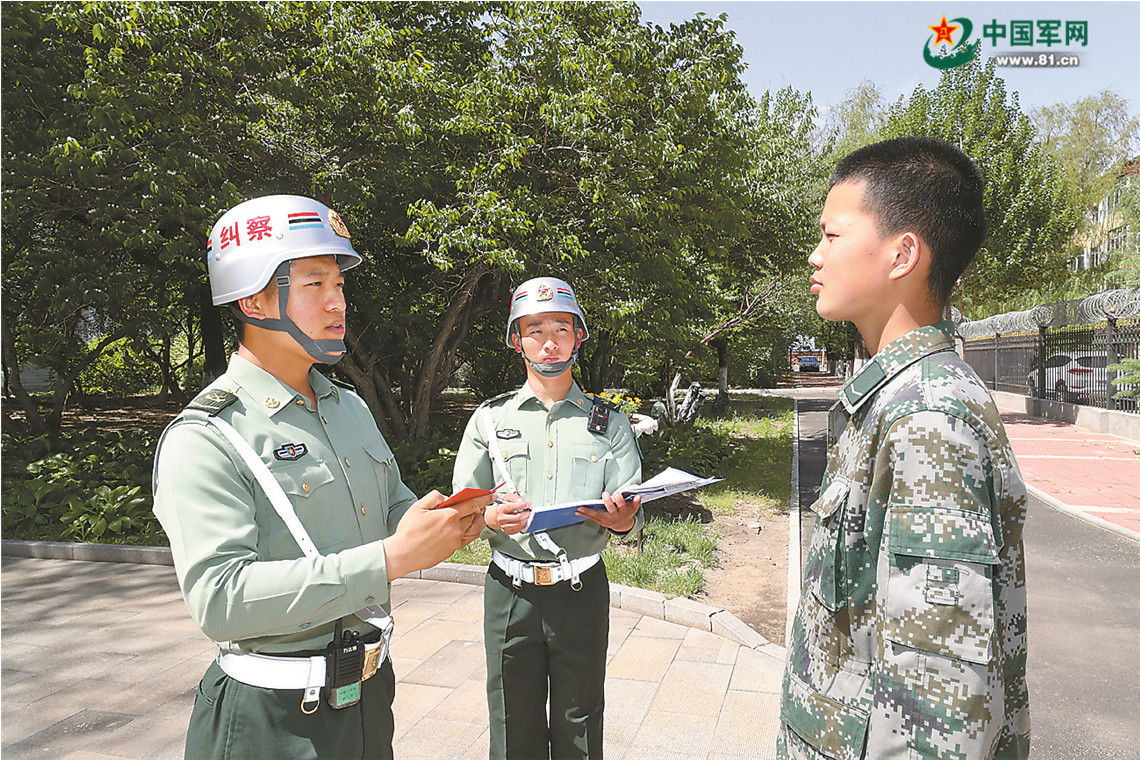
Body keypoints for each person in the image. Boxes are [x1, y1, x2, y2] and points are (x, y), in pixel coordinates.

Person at [152, 194, 490, 760]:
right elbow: (220, 600)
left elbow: (390, 511)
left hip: (366, 698)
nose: (339, 304)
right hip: (271, 721)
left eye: (340, 285)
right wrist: (390, 560)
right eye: (316, 285)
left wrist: (447, 519)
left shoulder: (347, 408)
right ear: (255, 300)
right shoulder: (205, 436)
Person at [779, 138, 1030, 759]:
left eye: (832, 236)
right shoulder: (895, 399)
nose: (814, 256)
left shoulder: (926, 416)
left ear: (902, 254)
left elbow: (939, 695)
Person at [452, 276, 643, 760]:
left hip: (580, 590)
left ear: (579, 335)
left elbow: (631, 512)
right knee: (512, 721)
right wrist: (492, 517)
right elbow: (462, 509)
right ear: (517, 340)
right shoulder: (490, 420)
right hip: (508, 591)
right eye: (535, 329)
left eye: (562, 327)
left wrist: (621, 522)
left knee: (580, 719)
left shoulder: (609, 423)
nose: (550, 341)